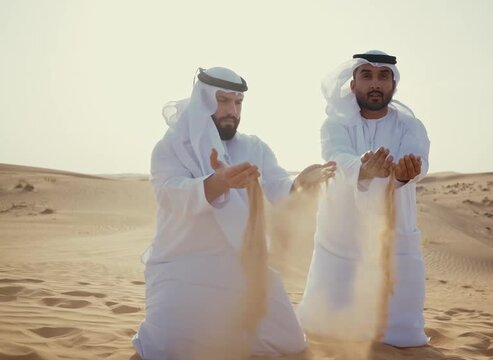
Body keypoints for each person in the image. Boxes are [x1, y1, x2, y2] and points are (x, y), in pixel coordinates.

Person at [132, 66, 335, 359]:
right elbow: (169, 195)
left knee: (291, 344)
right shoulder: (170, 148)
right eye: (223, 101)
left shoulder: (253, 146)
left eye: (238, 103)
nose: (232, 110)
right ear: (203, 101)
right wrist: (217, 183)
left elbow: (279, 187)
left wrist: (300, 185)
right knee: (166, 349)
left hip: (244, 268)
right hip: (184, 265)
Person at [297, 50, 431, 347]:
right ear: (352, 84)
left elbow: (417, 159)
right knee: (328, 330)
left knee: (401, 335)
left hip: (395, 232)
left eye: (383, 77)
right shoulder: (334, 125)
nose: (375, 84)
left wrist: (403, 174)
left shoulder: (410, 125)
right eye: (367, 76)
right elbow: (337, 157)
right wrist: (363, 169)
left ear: (393, 84)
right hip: (341, 234)